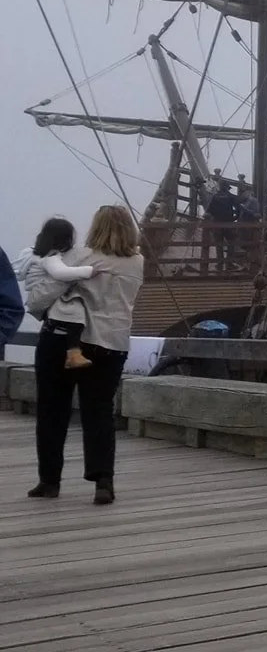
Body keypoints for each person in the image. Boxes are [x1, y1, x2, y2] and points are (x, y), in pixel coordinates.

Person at [29, 205, 145, 504]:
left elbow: (43, 295)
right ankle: (103, 480)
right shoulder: (137, 262)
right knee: (99, 412)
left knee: (52, 411)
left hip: (65, 342)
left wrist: (37, 305)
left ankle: (49, 481)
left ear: (96, 227)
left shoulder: (79, 257)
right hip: (112, 343)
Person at [19, 216, 99, 370]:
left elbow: (19, 272)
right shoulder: (50, 257)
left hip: (35, 296)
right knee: (75, 312)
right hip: (42, 296)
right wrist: (89, 271)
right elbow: (61, 273)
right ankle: (74, 353)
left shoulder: (31, 254)